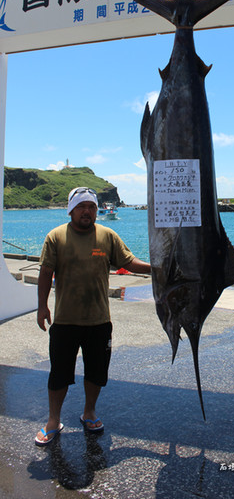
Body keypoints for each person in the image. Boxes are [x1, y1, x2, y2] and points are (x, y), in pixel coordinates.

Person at [35, 187, 151, 446]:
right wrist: (42, 306)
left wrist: (159, 268)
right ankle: (53, 420)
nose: (87, 211)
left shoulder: (108, 236)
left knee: (96, 372)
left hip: (99, 321)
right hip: (65, 321)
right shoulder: (56, 237)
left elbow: (129, 262)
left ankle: (89, 412)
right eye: (81, 206)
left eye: (91, 207)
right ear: (71, 210)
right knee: (59, 374)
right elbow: (45, 272)